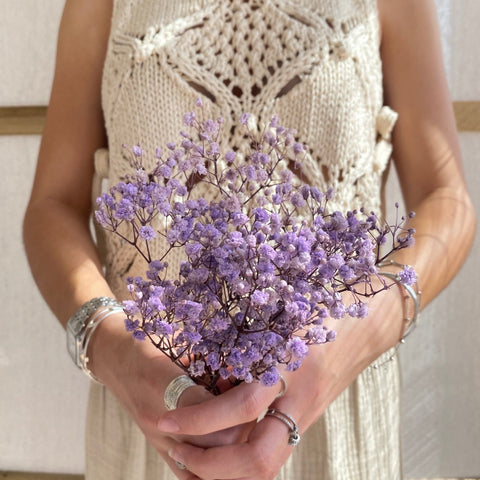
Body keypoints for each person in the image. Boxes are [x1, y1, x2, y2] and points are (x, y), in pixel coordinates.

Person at [23, 0, 475, 479]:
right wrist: (113, 345)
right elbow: (54, 206)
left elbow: (446, 199)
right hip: (158, 414)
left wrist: (359, 332)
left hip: (335, 405)